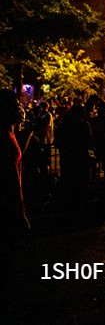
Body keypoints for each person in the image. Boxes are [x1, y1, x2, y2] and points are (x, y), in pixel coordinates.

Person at [1, 91, 30, 237]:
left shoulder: (9, 135)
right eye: (15, 106)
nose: (19, 109)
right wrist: (20, 213)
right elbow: (11, 180)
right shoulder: (5, 139)